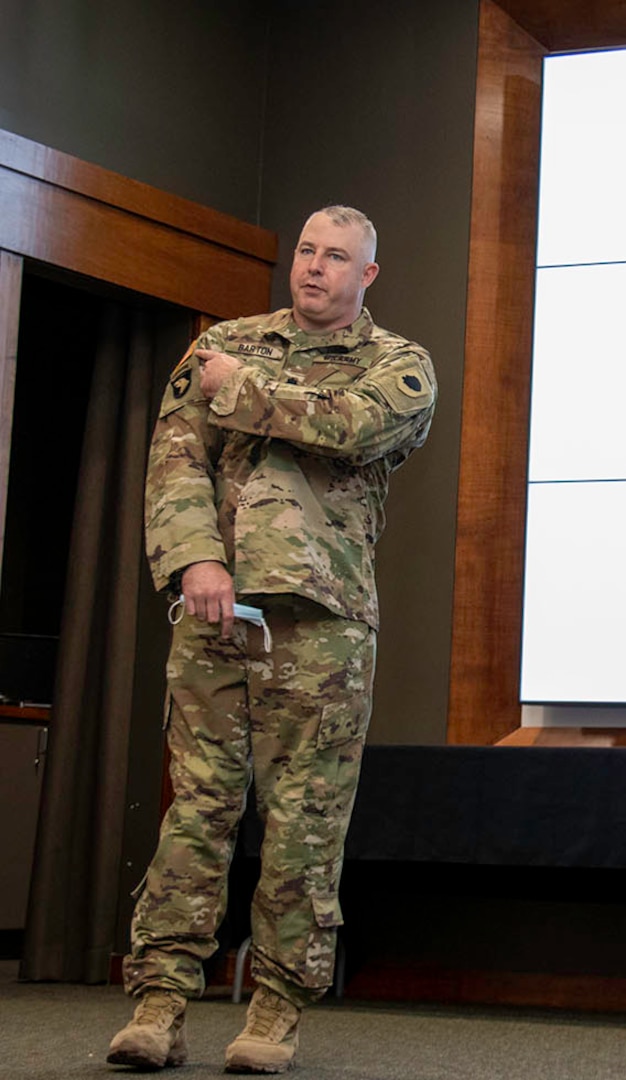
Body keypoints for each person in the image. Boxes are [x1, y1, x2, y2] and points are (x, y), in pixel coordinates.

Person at [107, 206, 436, 1073]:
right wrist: (193, 567)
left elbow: (351, 427)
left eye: (336, 257)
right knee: (198, 810)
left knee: (302, 823)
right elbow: (176, 462)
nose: (314, 268)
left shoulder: (397, 366)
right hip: (216, 611)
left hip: (323, 628)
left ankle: (274, 1010)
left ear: (368, 275)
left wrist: (239, 391)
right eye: (305, 251)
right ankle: (161, 1001)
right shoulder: (227, 341)